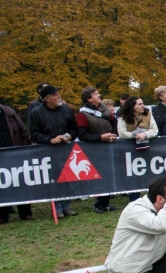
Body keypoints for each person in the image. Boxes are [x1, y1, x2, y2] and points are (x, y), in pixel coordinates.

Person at [29, 85, 78, 218]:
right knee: (54, 178)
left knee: (68, 177)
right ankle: (57, 208)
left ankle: (67, 205)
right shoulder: (36, 112)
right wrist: (50, 140)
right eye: (55, 94)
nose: (59, 96)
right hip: (48, 149)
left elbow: (74, 128)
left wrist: (68, 136)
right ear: (47, 98)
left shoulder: (66, 110)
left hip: (66, 148)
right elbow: (34, 134)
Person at [76, 87, 119, 213]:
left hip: (108, 146)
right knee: (99, 177)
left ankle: (106, 203)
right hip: (94, 148)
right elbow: (82, 135)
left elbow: (114, 122)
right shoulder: (82, 115)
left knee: (108, 175)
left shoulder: (104, 109)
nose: (99, 95)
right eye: (95, 94)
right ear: (89, 98)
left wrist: (114, 134)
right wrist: (100, 137)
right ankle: (99, 204)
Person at [0, 103, 34, 224]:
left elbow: (23, 131)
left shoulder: (9, 112)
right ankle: (2, 215)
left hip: (15, 154)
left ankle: (25, 213)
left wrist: (26, 149)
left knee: (21, 183)